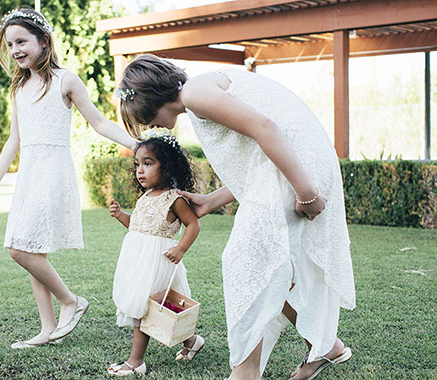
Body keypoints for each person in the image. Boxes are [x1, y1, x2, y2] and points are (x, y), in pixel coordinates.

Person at [116, 54, 356, 380]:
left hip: (300, 165)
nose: (149, 126)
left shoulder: (195, 93)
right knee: (271, 268)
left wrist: (307, 192)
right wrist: (210, 201)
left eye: (144, 115)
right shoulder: (198, 93)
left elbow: (266, 128)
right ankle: (326, 346)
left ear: (153, 96)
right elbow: (257, 162)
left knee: (245, 262)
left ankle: (246, 373)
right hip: (294, 162)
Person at [0, 8, 137, 349]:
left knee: (20, 248)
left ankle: (71, 301)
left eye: (22, 41)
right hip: (29, 173)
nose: (16, 49)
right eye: (10, 44)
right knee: (33, 249)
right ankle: (47, 329)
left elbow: (99, 122)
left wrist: (137, 145)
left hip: (53, 170)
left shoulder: (66, 80)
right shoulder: (18, 88)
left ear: (43, 41)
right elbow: (14, 139)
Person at [106, 135, 203, 376]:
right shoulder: (145, 196)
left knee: (146, 308)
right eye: (137, 164)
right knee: (164, 310)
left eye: (148, 163)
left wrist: (180, 249)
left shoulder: (175, 199)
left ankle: (135, 361)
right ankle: (191, 341)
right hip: (137, 260)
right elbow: (139, 226)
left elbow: (193, 225)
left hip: (159, 261)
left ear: (167, 166)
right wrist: (121, 216)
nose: (140, 170)